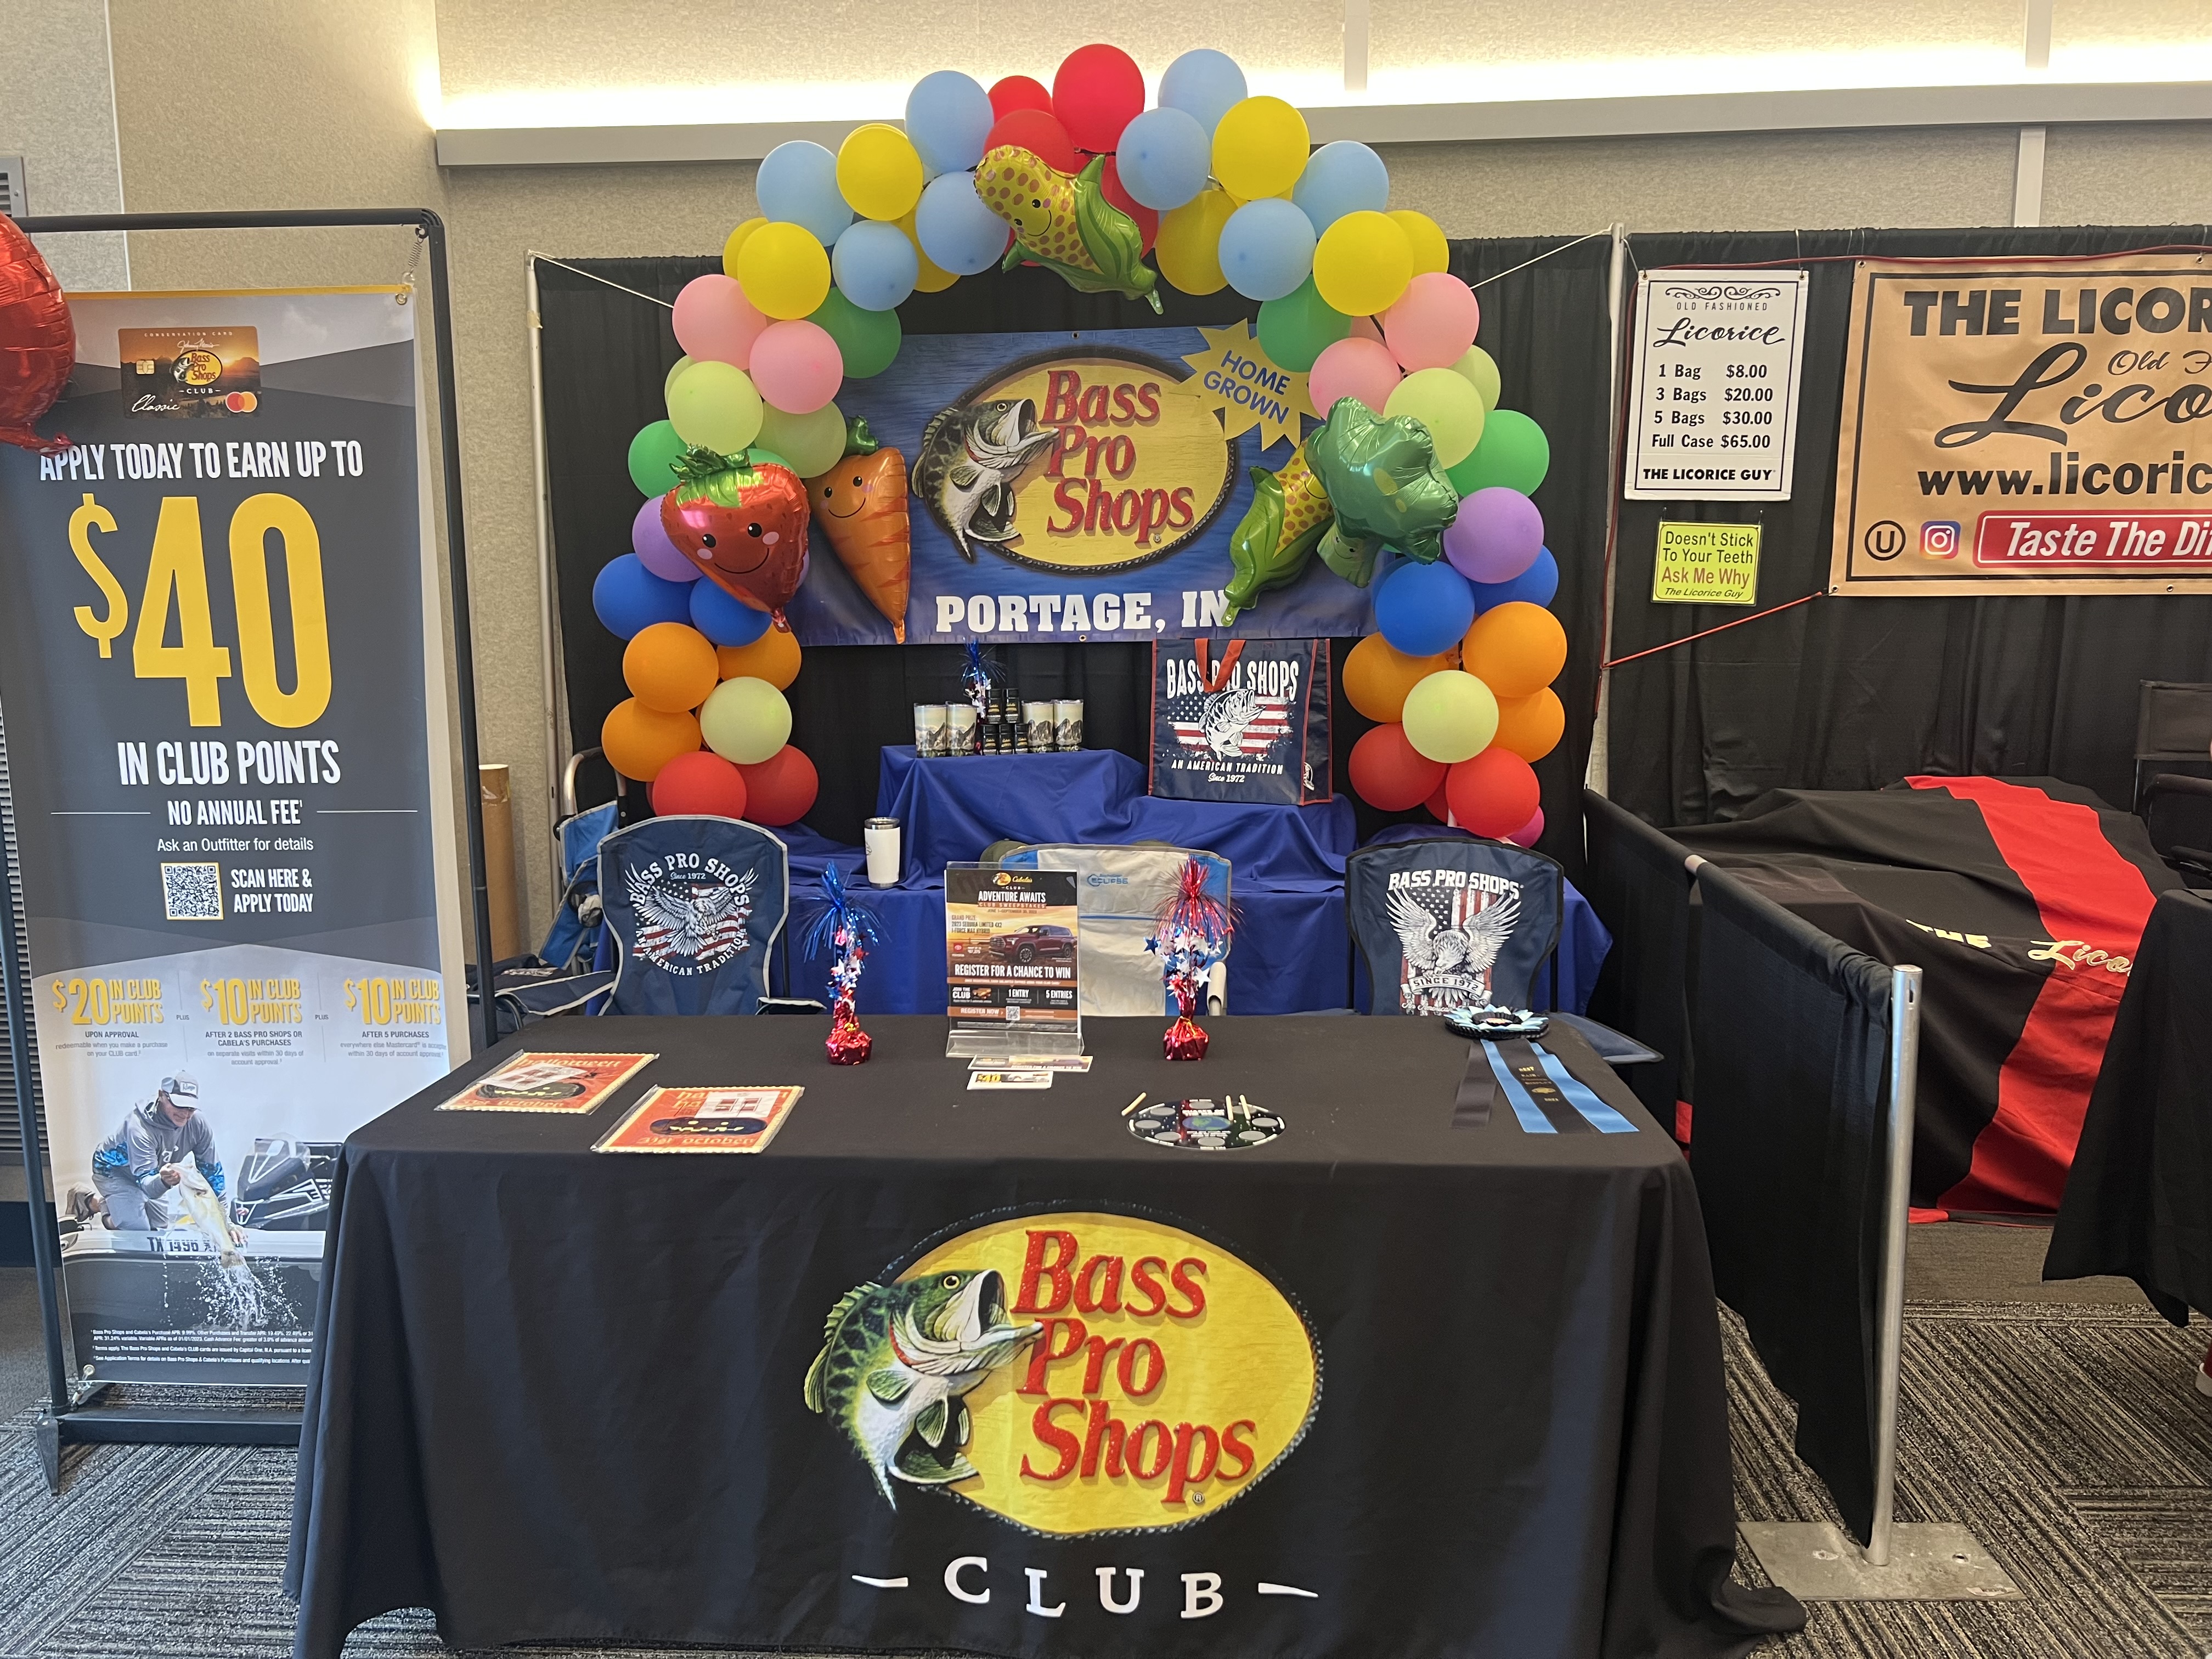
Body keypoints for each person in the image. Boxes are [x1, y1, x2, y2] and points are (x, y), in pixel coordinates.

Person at [88, 1070, 228, 1232]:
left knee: (159, 1227)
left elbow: (213, 1175)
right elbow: (147, 1186)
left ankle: (119, 1205)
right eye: (179, 1104)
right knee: (137, 1229)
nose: (185, 1113)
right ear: (162, 1095)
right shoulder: (139, 1127)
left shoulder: (199, 1125)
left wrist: (225, 1222)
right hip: (113, 1170)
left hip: (152, 1172)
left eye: (191, 1108)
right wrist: (165, 1182)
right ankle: (99, 1205)